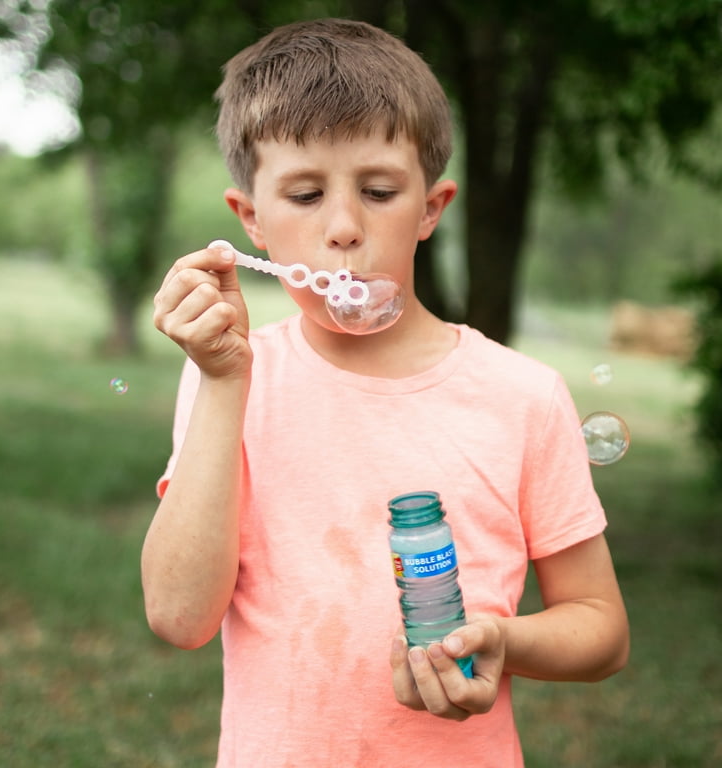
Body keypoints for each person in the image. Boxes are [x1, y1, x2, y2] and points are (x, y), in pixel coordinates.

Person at [141, 17, 629, 768]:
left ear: (431, 207)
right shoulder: (231, 376)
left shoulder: (522, 396)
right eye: (304, 194)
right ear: (251, 222)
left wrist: (506, 640)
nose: (342, 227)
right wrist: (222, 382)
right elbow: (179, 616)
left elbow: (601, 629)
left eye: (378, 190)